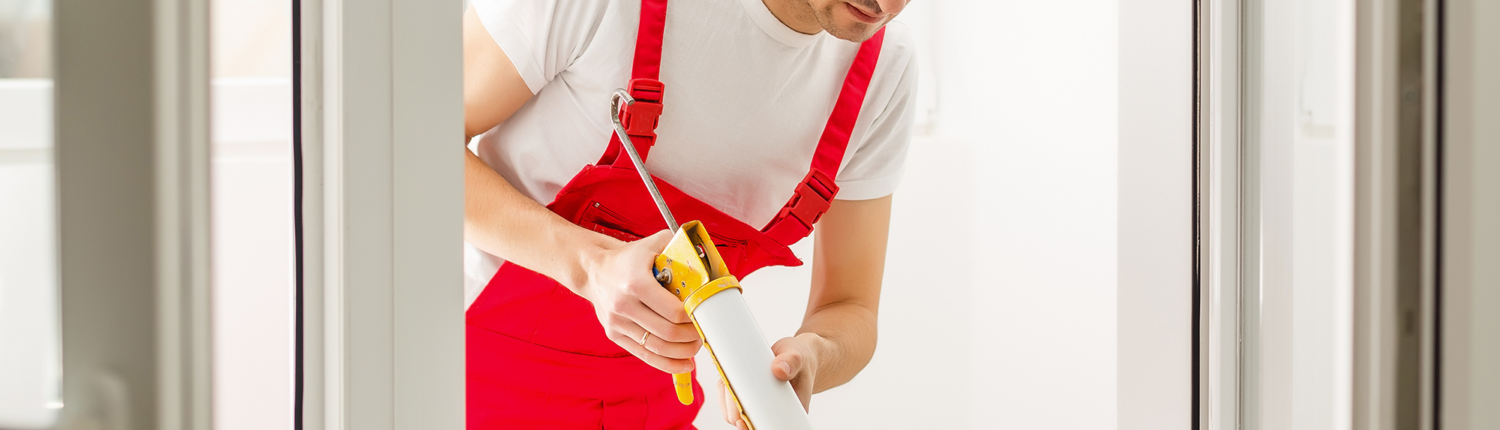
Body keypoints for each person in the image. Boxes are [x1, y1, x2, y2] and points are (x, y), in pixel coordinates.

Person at [461, 0, 915, 427]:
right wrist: (589, 264)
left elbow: (850, 304)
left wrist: (815, 354)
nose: (887, 7)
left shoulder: (883, 71)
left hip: (648, 408)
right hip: (465, 382)